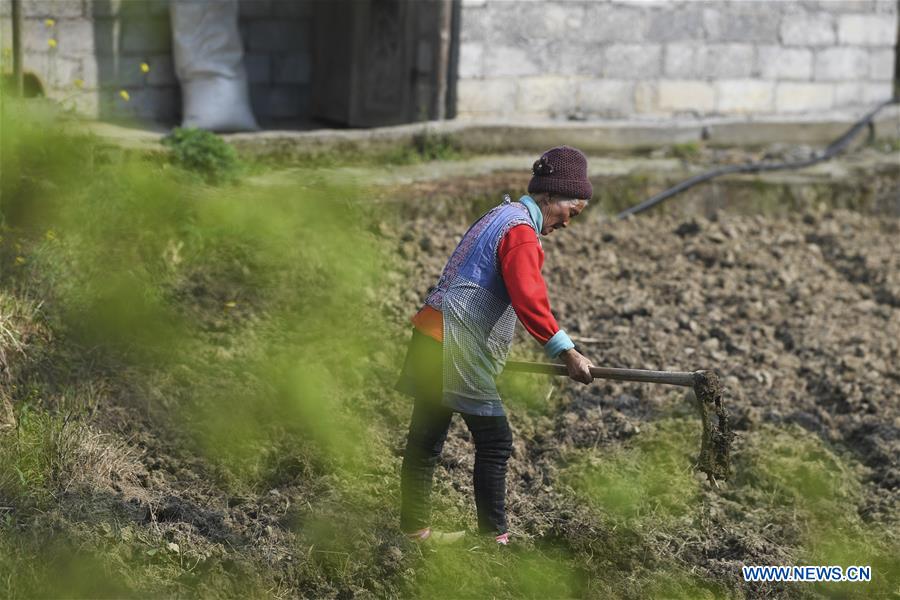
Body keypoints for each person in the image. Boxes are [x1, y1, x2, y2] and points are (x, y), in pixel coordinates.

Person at [396, 146, 595, 546]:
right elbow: (528, 299)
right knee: (496, 440)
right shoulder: (521, 232)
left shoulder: (499, 215)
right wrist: (567, 352)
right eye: (571, 213)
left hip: (431, 335)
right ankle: (494, 540)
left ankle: (413, 534)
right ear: (551, 197)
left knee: (425, 442)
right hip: (455, 343)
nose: (568, 224)